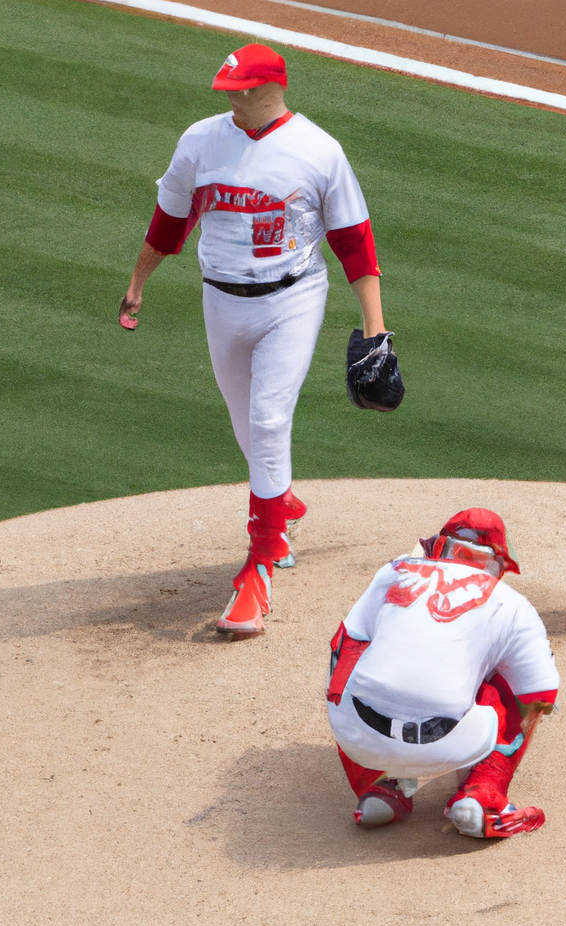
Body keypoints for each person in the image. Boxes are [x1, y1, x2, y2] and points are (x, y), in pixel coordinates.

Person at [119, 43, 390, 638]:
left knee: (268, 420)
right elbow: (169, 221)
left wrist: (376, 326)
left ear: (267, 89)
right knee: (245, 422)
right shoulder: (200, 141)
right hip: (220, 299)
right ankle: (282, 502)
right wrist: (139, 280)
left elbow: (354, 241)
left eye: (237, 90)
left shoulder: (319, 151)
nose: (229, 99)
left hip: (292, 298)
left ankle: (259, 568)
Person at [325, 508, 560, 839]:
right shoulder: (512, 603)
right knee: (507, 687)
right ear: (497, 562)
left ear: (438, 547)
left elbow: (344, 645)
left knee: (356, 670)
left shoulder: (393, 572)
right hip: (444, 741)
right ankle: (483, 794)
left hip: (357, 737)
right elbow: (540, 694)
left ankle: (377, 786)